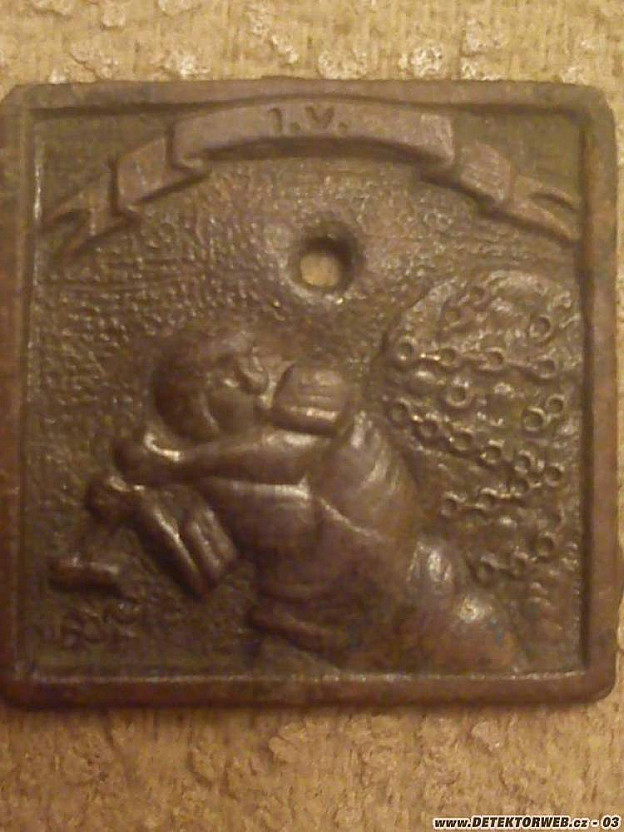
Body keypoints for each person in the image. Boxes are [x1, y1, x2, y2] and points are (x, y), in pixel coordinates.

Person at [89, 323, 526, 673]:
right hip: (311, 642)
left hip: (425, 601)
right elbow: (201, 572)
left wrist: (175, 464)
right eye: (194, 411)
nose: (250, 383)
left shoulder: (315, 383)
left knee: (499, 669)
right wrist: (140, 509)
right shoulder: (221, 483)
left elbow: (291, 456)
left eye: (200, 402)